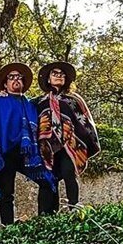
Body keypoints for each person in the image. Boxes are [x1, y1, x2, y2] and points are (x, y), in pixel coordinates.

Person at [0, 62, 54, 226]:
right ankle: (8, 229)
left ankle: (44, 222)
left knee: (47, 182)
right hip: (4, 153)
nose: (16, 80)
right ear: (5, 83)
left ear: (23, 82)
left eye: (19, 78)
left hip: (27, 155)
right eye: (11, 77)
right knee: (7, 194)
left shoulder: (30, 105)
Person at [34, 61, 100, 214]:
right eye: (54, 73)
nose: (59, 76)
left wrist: (84, 142)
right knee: (48, 180)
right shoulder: (38, 103)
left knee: (69, 174)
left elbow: (84, 123)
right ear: (48, 79)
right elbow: (28, 119)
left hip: (69, 146)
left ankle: (74, 210)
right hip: (46, 149)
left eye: (62, 74)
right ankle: (45, 216)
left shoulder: (73, 100)